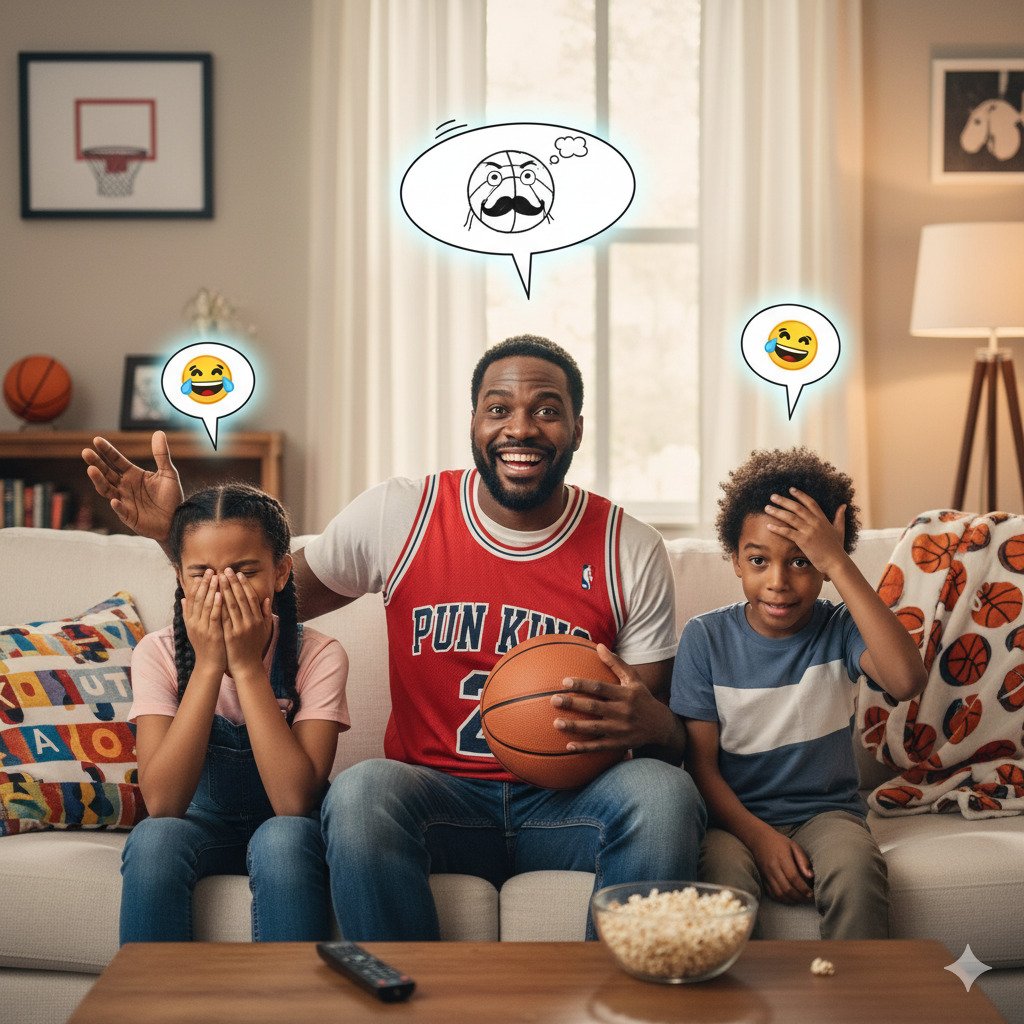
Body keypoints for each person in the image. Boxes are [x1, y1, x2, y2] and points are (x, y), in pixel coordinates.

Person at [85, 335, 705, 942]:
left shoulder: (629, 547)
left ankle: (617, 1002)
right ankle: (403, 1004)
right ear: (473, 421)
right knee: (359, 790)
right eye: (499, 409)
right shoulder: (402, 513)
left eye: (547, 410)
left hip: (566, 804)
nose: (521, 428)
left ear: (576, 426)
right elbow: (261, 589)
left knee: (664, 793)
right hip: (437, 798)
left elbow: (652, 735)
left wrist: (659, 725)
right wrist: (176, 532)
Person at [671, 447, 927, 939]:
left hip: (827, 815)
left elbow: (906, 680)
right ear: (735, 561)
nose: (779, 582)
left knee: (857, 872)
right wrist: (760, 839)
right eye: (759, 560)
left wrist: (838, 561)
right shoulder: (705, 639)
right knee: (717, 887)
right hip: (733, 821)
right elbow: (699, 766)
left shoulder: (841, 628)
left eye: (803, 562)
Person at [119, 483, 349, 943]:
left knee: (283, 839)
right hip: (201, 821)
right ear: (180, 578)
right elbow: (163, 804)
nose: (222, 590)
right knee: (153, 839)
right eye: (202, 573)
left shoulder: (320, 655)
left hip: (285, 825)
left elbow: (293, 803)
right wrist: (207, 667)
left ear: (281, 572)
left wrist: (245, 667)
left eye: (245, 571)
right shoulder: (157, 654)